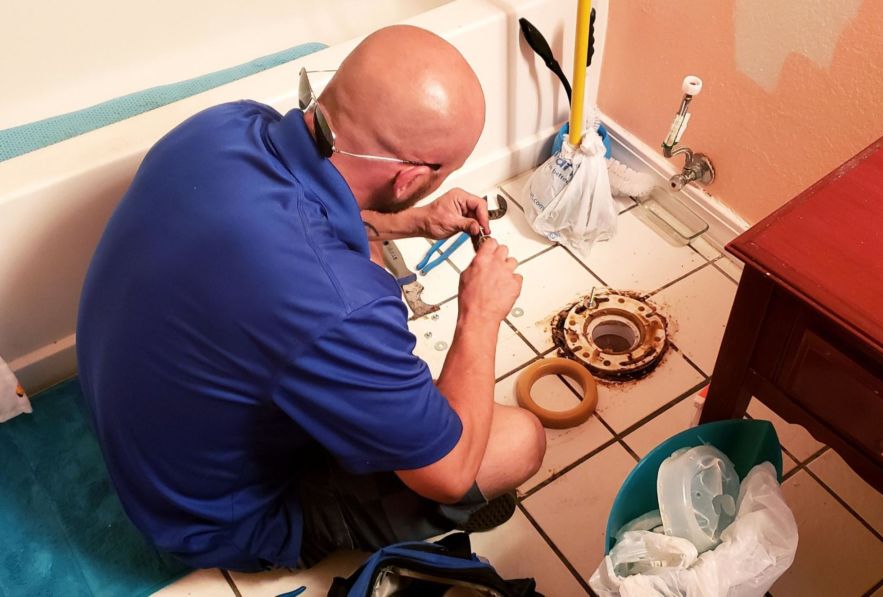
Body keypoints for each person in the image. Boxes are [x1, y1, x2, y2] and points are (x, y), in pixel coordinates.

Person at [77, 25, 546, 572]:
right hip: (210, 518)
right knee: (517, 442)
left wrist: (407, 220)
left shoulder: (225, 124)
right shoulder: (341, 305)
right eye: (441, 174)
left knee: (351, 292)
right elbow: (449, 471)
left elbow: (302, 210)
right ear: (409, 175)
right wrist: (480, 315)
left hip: (147, 434)